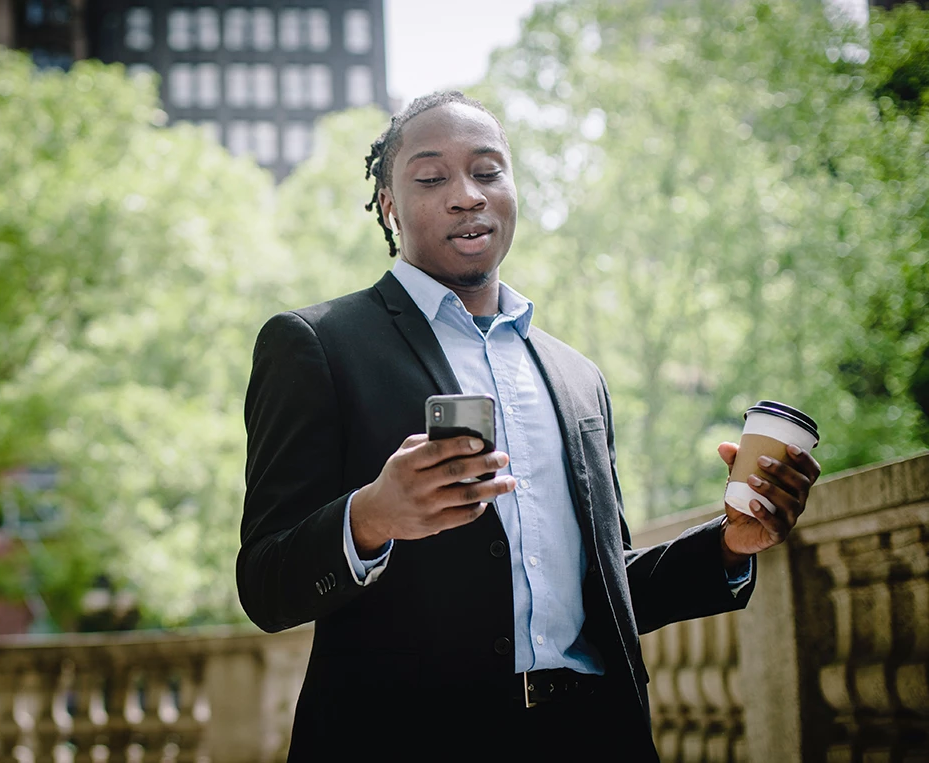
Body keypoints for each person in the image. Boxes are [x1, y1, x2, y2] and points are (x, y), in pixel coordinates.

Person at [236, 91, 821, 760]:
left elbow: (601, 585)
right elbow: (264, 581)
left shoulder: (577, 376)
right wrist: (371, 516)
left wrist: (729, 545)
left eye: (488, 171)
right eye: (431, 177)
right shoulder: (314, 344)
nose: (467, 195)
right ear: (390, 205)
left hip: (595, 737)